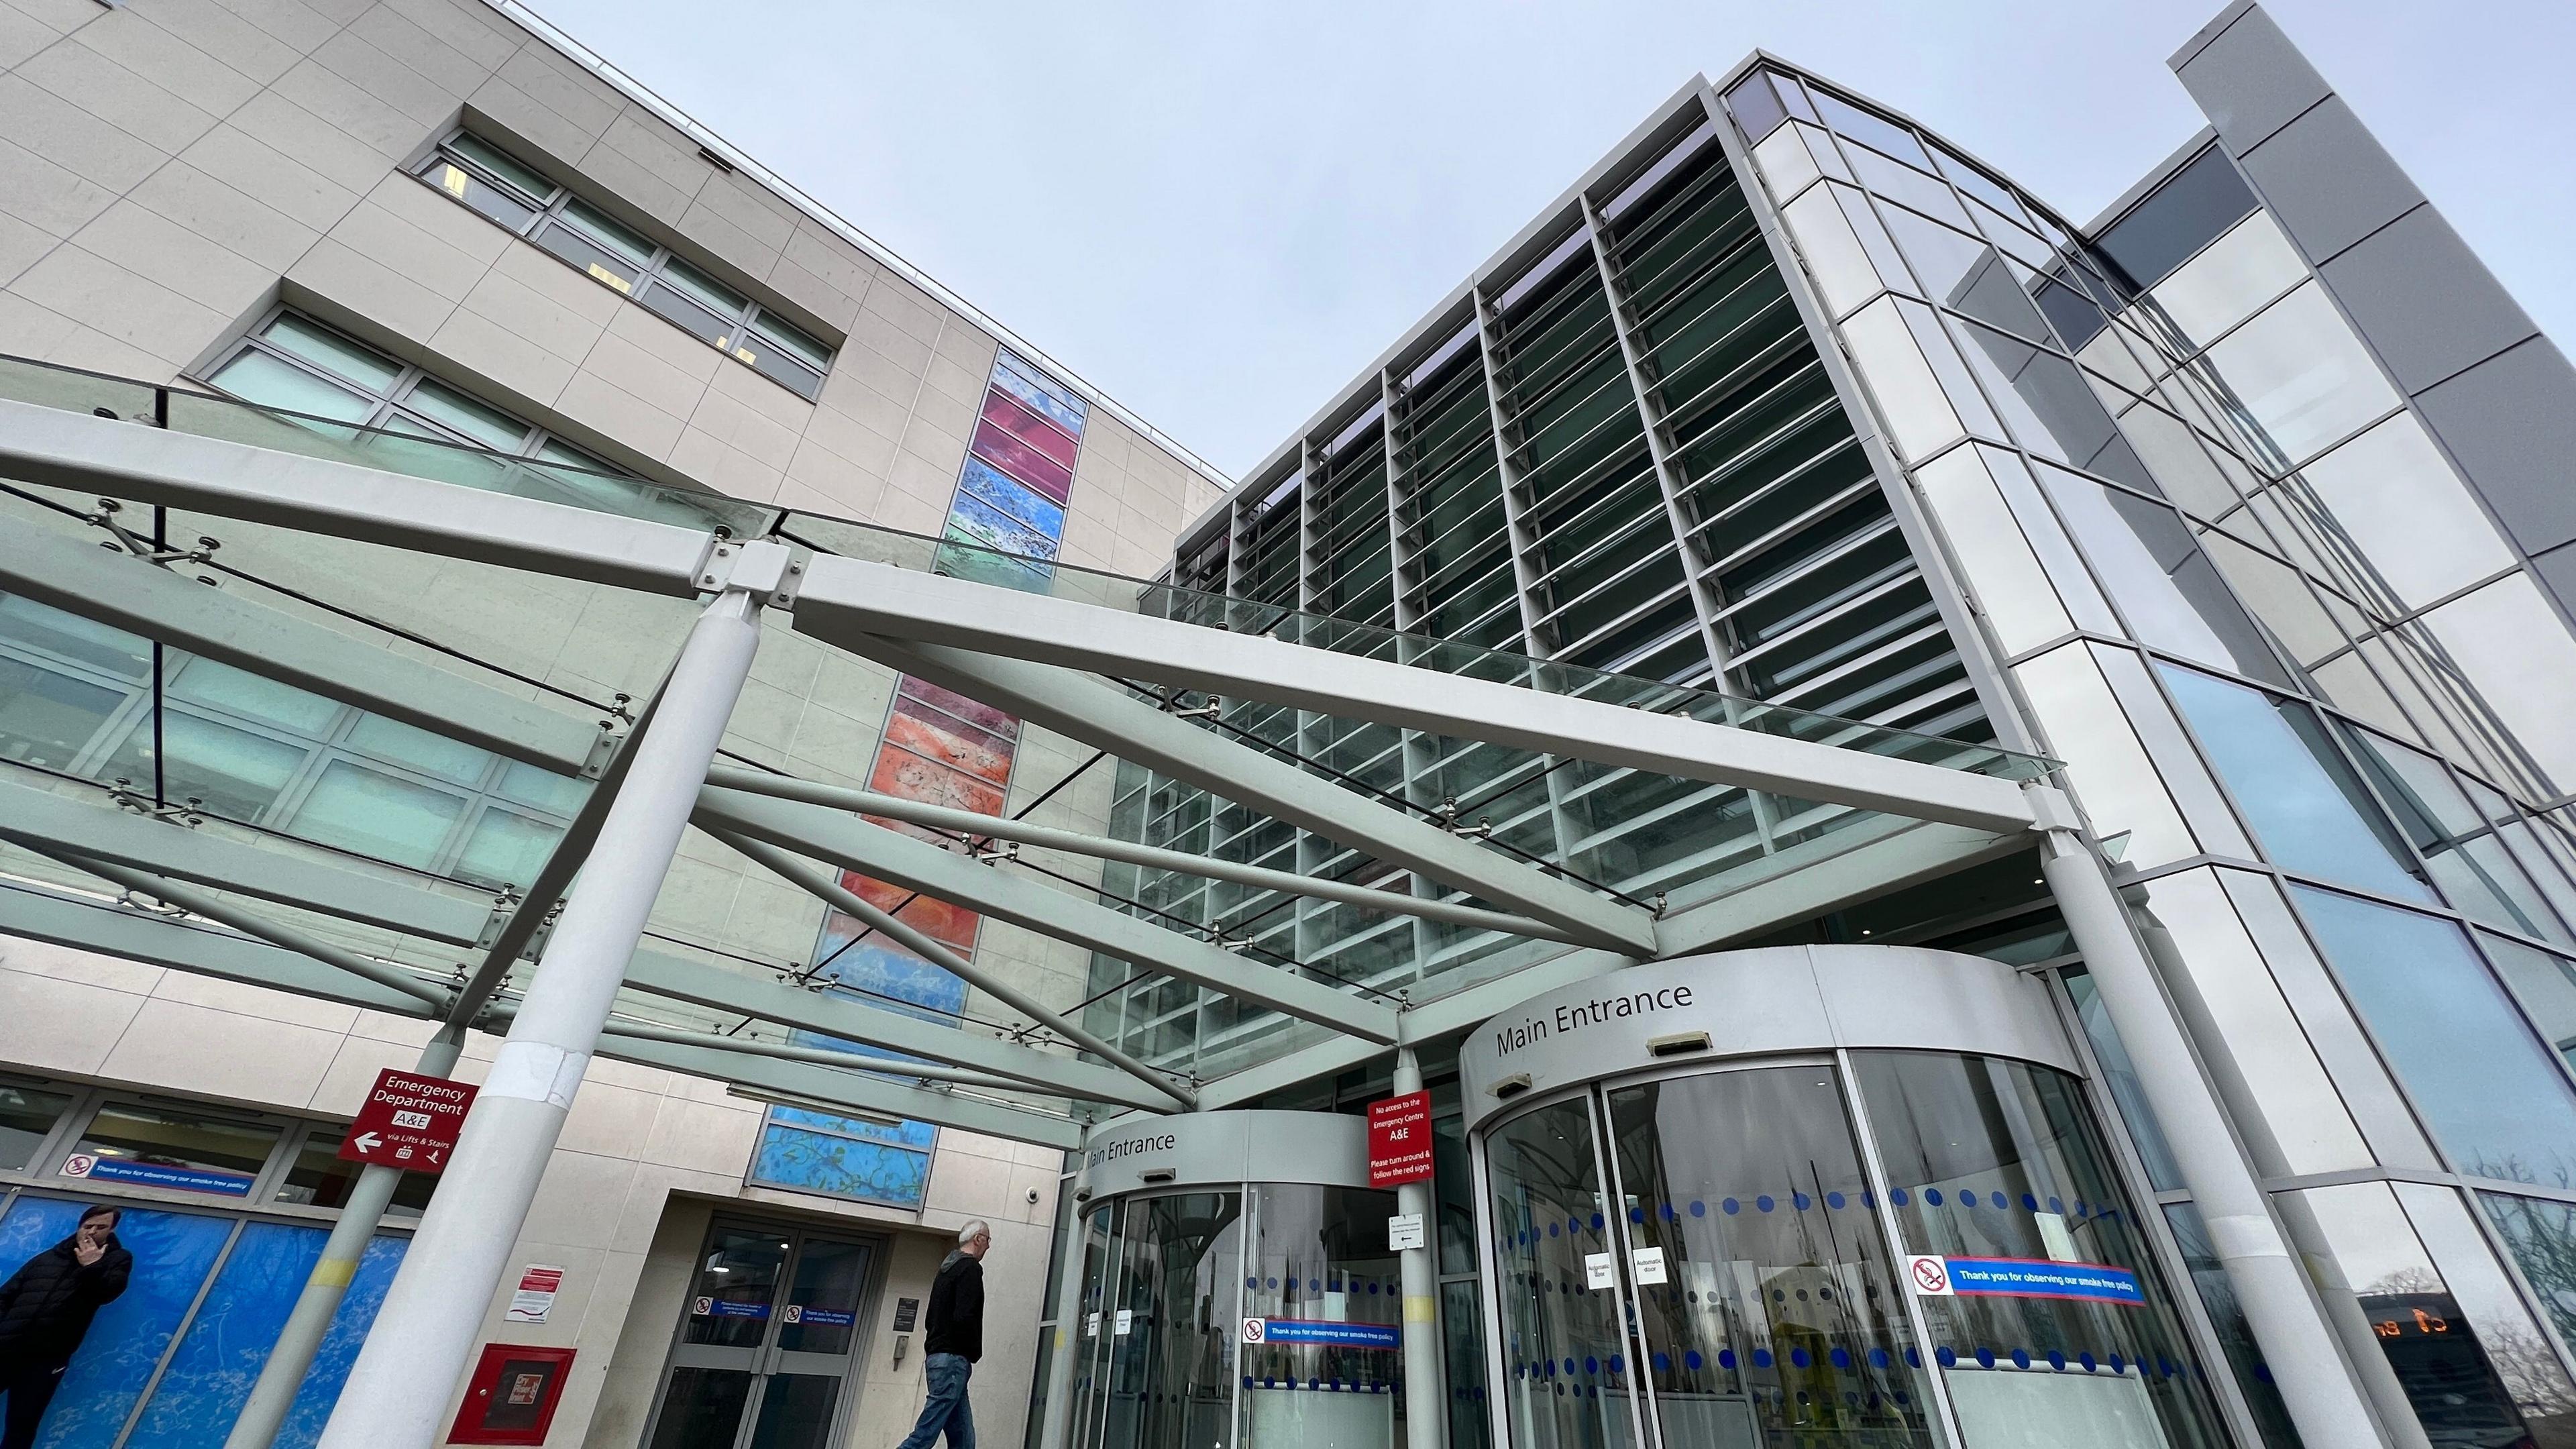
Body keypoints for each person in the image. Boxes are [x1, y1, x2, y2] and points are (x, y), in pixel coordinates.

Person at [0, 1205, 132, 1449]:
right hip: (6, 1347)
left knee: (22, 1424)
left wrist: (91, 1267)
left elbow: (108, 1293)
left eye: (100, 1227)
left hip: (46, 1360)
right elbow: (6, 1295)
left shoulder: (117, 1259)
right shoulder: (49, 1258)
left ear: (112, 1229)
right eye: (87, 1226)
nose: (92, 1232)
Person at [896, 1220, 990, 1449]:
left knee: (963, 1440)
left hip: (938, 1358)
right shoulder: (970, 1269)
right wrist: (970, 1351)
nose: (989, 1246)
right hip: (953, 1361)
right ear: (978, 1239)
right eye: (988, 1240)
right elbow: (965, 1316)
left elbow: (931, 1318)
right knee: (925, 1435)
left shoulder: (946, 1270)